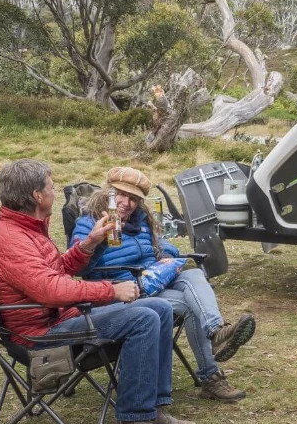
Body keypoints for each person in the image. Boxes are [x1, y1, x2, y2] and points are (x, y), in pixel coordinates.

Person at [0, 159, 196, 424]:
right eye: (51, 187)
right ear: (36, 196)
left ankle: (154, 410)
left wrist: (90, 243)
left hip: (61, 318)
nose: (54, 193)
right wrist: (110, 291)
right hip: (43, 334)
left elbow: (55, 271)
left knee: (159, 309)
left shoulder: (29, 228)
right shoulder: (13, 239)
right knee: (144, 318)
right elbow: (50, 289)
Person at [70, 167, 255, 402]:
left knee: (195, 276)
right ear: (109, 194)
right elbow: (79, 269)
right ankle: (211, 377)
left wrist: (165, 253)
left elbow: (162, 241)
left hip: (154, 279)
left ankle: (217, 331)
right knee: (191, 306)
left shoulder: (141, 219)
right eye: (121, 195)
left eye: (134, 199)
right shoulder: (89, 223)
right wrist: (98, 242)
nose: (127, 203)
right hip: (123, 291)